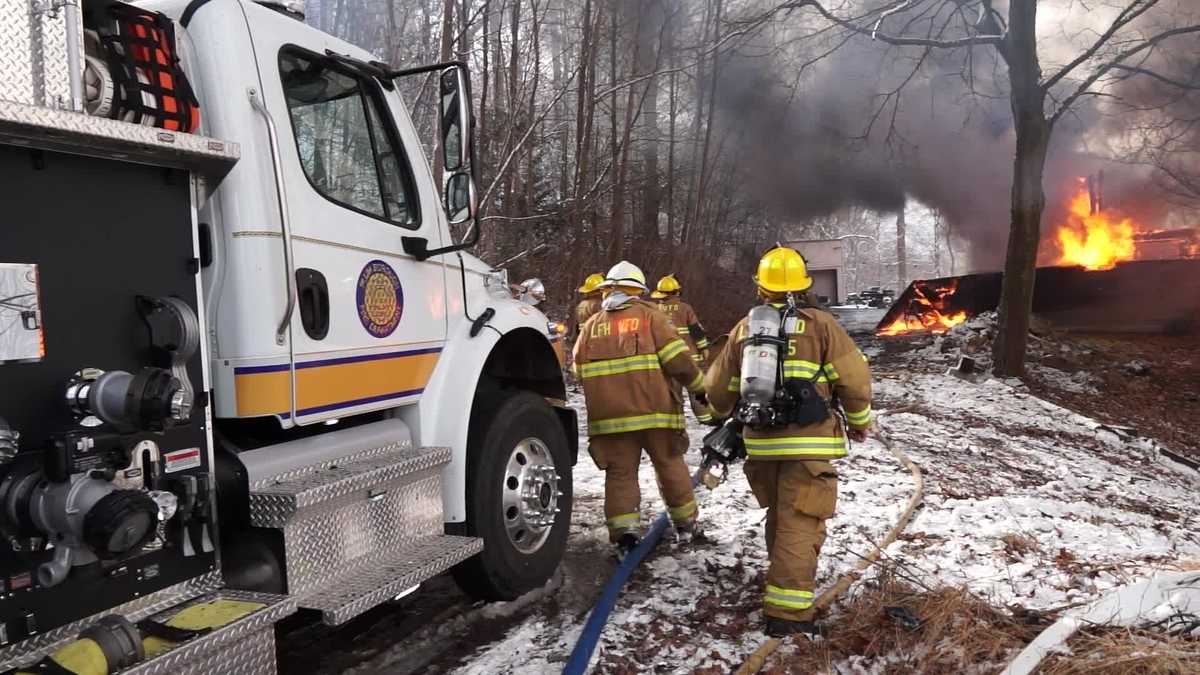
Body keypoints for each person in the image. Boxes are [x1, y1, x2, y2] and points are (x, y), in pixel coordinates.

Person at [705, 246, 873, 638]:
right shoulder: (821, 325)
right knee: (800, 523)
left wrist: (722, 416)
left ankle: (782, 584)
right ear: (804, 284)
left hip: (762, 446)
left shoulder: (746, 329)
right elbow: (854, 380)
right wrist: (859, 421)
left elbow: (716, 389)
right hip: (808, 445)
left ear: (760, 286)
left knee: (782, 518)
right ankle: (789, 615)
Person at [572, 261, 710, 557]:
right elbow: (678, 361)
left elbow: (577, 370)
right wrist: (699, 385)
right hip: (656, 413)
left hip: (610, 420)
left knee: (620, 474)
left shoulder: (591, 326)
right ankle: (686, 525)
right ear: (637, 291)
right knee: (670, 465)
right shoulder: (651, 317)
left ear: (608, 290)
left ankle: (625, 535)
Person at [651, 274, 714, 423]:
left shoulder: (655, 311)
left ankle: (675, 421)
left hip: (668, 360)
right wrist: (704, 348)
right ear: (676, 292)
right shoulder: (685, 308)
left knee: (673, 393)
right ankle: (706, 418)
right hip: (690, 359)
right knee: (697, 390)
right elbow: (696, 330)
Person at [573, 273, 605, 338]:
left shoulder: (581, 304)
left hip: (584, 338)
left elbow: (577, 327)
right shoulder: (598, 304)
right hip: (597, 339)